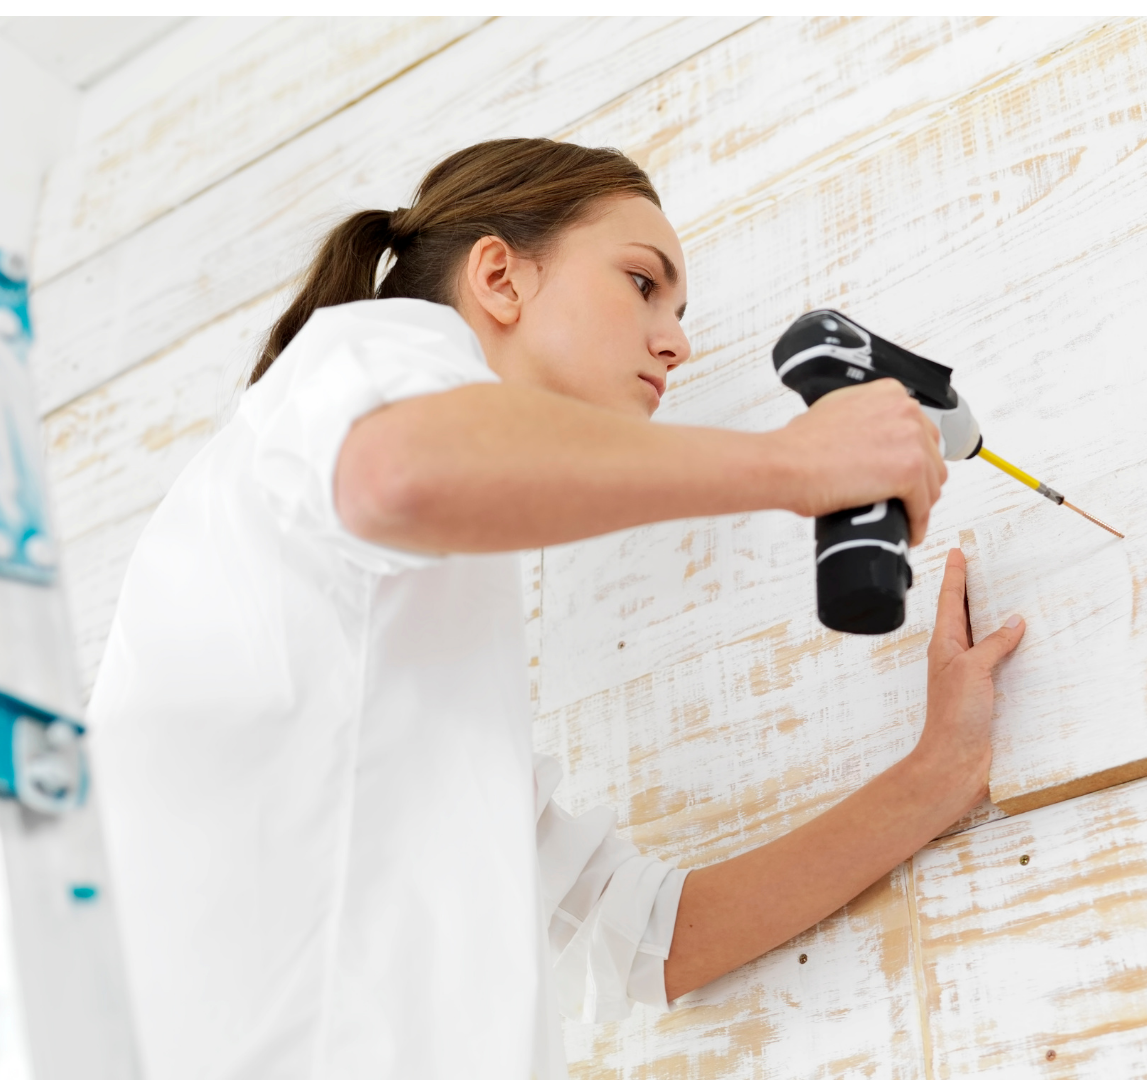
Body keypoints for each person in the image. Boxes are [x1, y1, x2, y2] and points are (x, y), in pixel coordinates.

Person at [89, 139, 1026, 1080]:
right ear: (498, 275)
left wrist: (940, 772)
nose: (677, 339)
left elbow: (652, 940)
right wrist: (795, 465)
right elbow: (399, 471)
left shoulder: (416, 658)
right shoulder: (365, 356)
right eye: (642, 283)